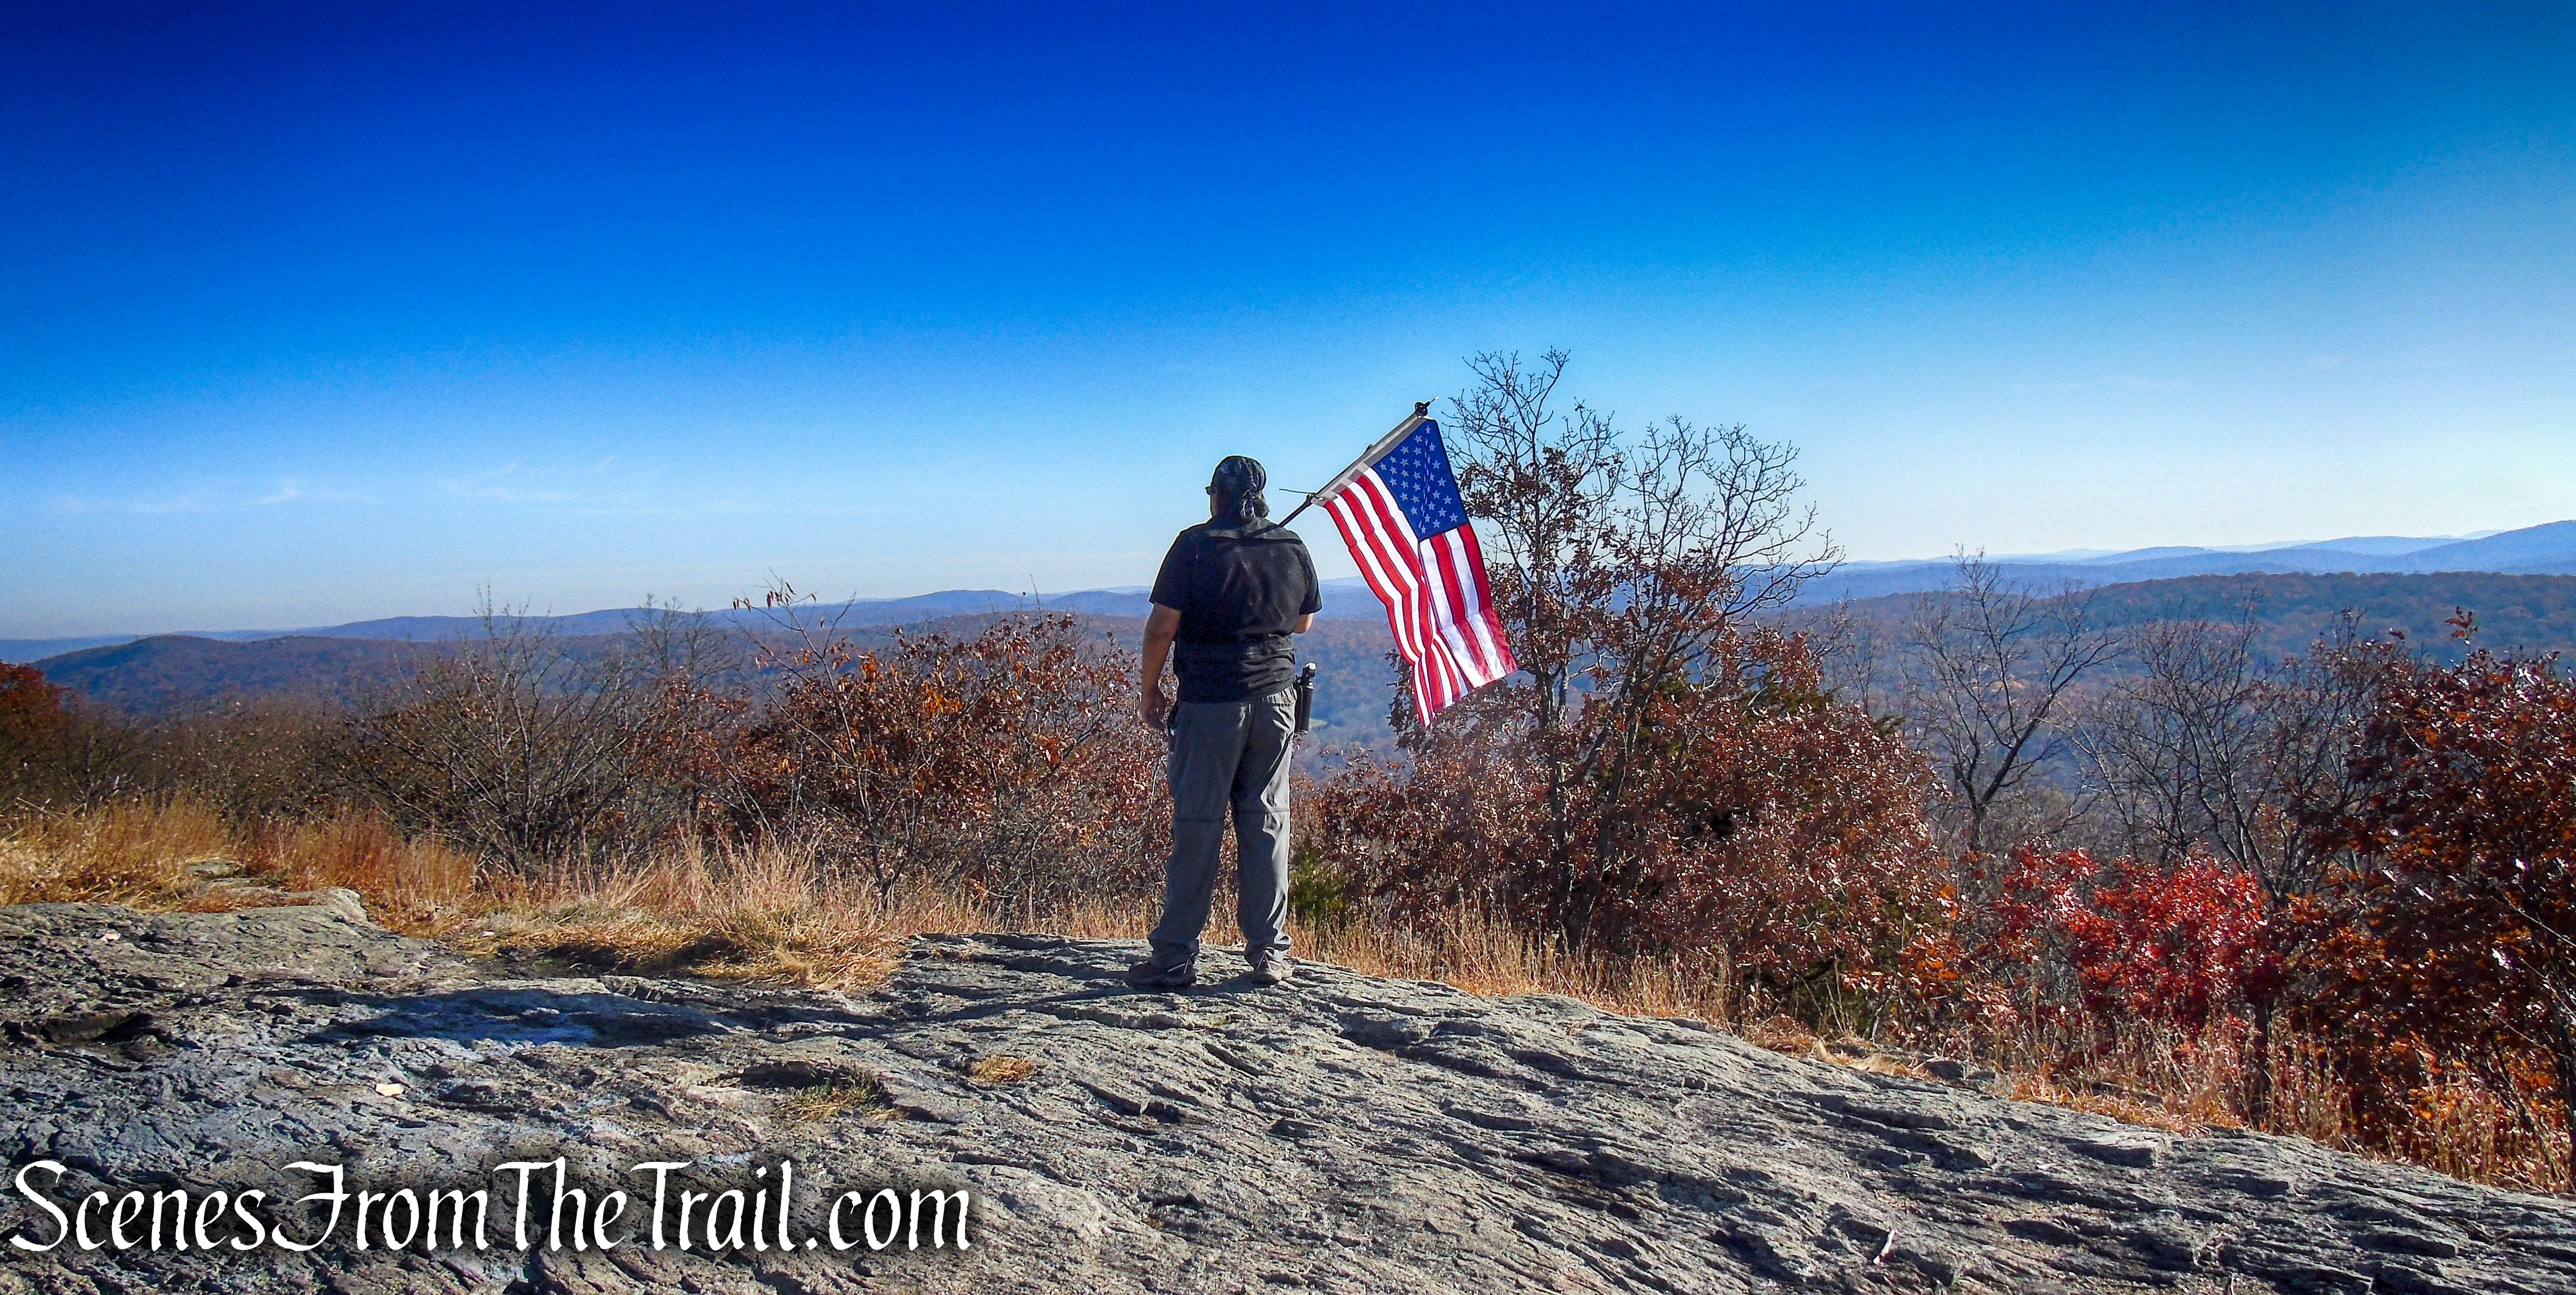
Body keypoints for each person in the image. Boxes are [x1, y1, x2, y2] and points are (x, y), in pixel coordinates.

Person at [1128, 454, 1320, 990]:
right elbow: (1302, 620)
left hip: (1210, 704)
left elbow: (1161, 628)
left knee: (1198, 825)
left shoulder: (1193, 546)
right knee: (1266, 821)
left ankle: (1174, 956)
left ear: (1216, 495)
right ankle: (1268, 954)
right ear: (1261, 498)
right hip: (1276, 701)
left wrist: (1149, 690)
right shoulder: (1289, 545)